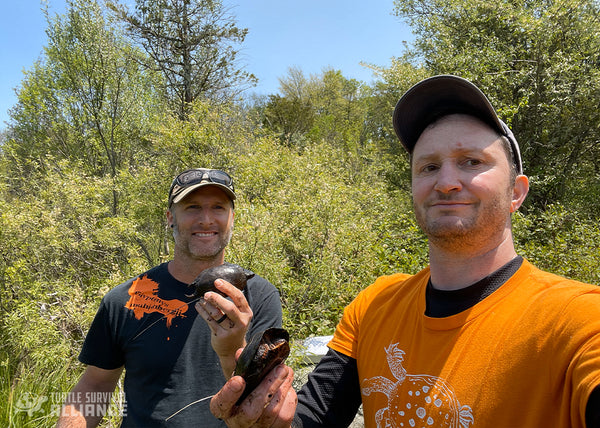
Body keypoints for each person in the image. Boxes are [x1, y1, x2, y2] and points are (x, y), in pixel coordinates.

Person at [209, 75, 600, 428]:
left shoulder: (576, 319)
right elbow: (310, 417)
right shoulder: (375, 307)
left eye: (471, 162)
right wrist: (269, 418)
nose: (446, 182)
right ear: (413, 189)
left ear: (516, 192)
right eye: (428, 167)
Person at [56, 168, 283, 427]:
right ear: (170, 218)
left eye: (218, 207)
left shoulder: (260, 297)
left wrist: (233, 349)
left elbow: (265, 399)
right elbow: (95, 385)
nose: (206, 219)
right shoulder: (125, 300)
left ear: (232, 218)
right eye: (192, 207)